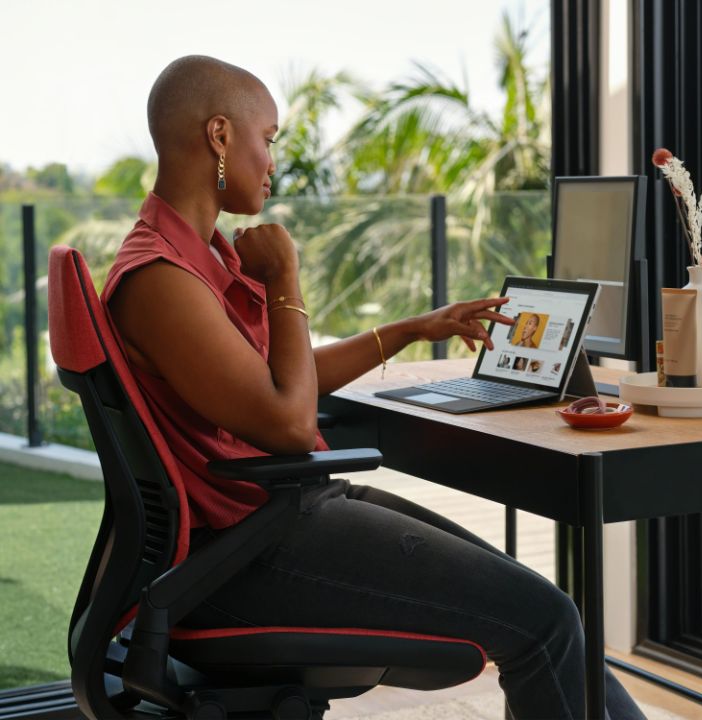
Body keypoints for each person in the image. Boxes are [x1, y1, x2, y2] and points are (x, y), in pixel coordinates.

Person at [101, 56, 646, 720]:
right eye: (268, 139)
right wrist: (284, 280)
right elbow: (292, 423)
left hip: (271, 522)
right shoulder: (162, 280)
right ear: (219, 136)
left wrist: (415, 328)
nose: (274, 161)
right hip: (244, 558)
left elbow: (275, 381)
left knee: (550, 610)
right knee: (544, 623)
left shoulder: (197, 254)